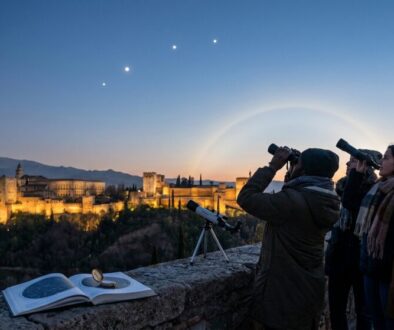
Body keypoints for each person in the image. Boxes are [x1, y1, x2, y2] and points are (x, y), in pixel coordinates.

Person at [237, 146, 341, 330]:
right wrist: (295, 173)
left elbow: (246, 198)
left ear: (303, 170)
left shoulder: (291, 202)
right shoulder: (329, 200)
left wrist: (273, 166)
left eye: (297, 163)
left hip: (280, 297)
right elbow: (296, 197)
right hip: (309, 291)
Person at [325, 150, 381, 330]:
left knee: (364, 312)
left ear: (366, 166)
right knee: (336, 310)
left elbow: (351, 202)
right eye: (349, 161)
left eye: (354, 161)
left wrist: (356, 177)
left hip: (361, 262)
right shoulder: (342, 187)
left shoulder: (374, 192)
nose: (348, 165)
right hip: (339, 259)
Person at [342, 145, 394, 329]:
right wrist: (356, 175)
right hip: (371, 267)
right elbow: (349, 203)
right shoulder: (377, 189)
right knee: (377, 320)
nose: (381, 162)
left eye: (386, 158)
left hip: (387, 272)